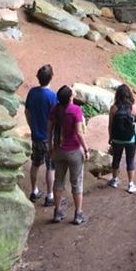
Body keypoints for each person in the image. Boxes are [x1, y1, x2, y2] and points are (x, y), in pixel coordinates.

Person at [48, 85, 90, 224]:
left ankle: (57, 212)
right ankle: (78, 214)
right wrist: (86, 149)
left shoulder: (55, 110)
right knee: (77, 183)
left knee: (58, 181)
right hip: (73, 151)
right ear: (70, 98)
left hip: (58, 150)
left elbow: (49, 130)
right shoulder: (75, 110)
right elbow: (79, 132)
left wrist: (50, 146)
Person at [25, 64, 57, 206]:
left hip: (36, 136)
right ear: (51, 78)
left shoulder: (32, 92)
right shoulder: (52, 96)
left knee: (35, 164)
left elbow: (27, 112)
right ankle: (49, 196)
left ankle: (34, 191)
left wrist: (32, 127)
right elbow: (56, 118)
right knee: (51, 167)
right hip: (49, 138)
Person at [107, 84, 136, 194]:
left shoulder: (114, 108)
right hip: (130, 139)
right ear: (129, 95)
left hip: (117, 139)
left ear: (117, 95)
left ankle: (114, 180)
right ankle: (130, 184)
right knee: (130, 160)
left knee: (116, 159)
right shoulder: (134, 108)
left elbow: (110, 125)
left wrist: (110, 138)